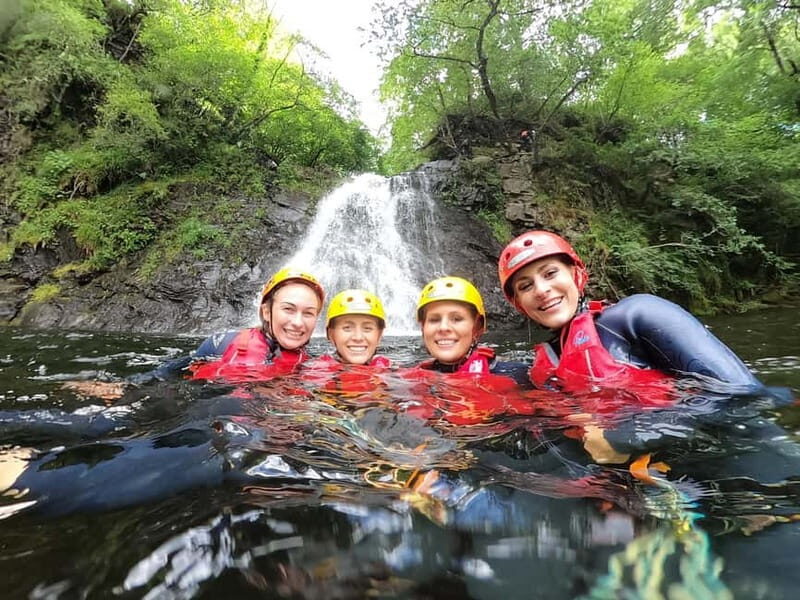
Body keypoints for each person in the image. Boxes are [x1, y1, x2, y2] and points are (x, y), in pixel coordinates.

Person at [497, 229, 794, 464]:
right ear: (520, 304)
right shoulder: (543, 371)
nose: (542, 290)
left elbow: (744, 395)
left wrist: (625, 437)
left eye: (550, 273)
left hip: (743, 456)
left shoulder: (637, 316)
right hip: (660, 479)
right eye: (525, 286)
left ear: (575, 275)